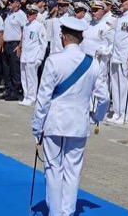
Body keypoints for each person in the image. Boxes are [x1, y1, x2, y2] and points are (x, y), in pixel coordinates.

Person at [31, 16, 109, 215]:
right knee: (73, 171)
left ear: (63, 37)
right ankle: (68, 212)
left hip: (54, 123)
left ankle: (55, 212)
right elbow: (103, 98)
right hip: (78, 124)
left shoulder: (54, 60)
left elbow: (43, 98)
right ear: (81, 39)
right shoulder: (92, 64)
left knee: (53, 169)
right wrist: (96, 116)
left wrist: (37, 127)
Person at [0, 0, 26, 101]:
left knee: (15, 69)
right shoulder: (8, 14)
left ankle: (15, 91)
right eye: (9, 2)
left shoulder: (21, 15)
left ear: (18, 3)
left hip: (15, 44)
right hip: (7, 44)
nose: (9, 3)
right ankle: (8, 90)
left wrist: (20, 45)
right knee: (7, 69)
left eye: (12, 2)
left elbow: (24, 31)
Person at [19, 5, 47, 106]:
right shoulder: (26, 25)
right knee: (24, 77)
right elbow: (24, 40)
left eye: (31, 14)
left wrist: (40, 57)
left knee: (32, 78)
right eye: (28, 13)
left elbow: (43, 43)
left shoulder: (39, 26)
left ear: (36, 15)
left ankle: (31, 97)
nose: (28, 15)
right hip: (25, 55)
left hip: (33, 56)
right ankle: (26, 95)